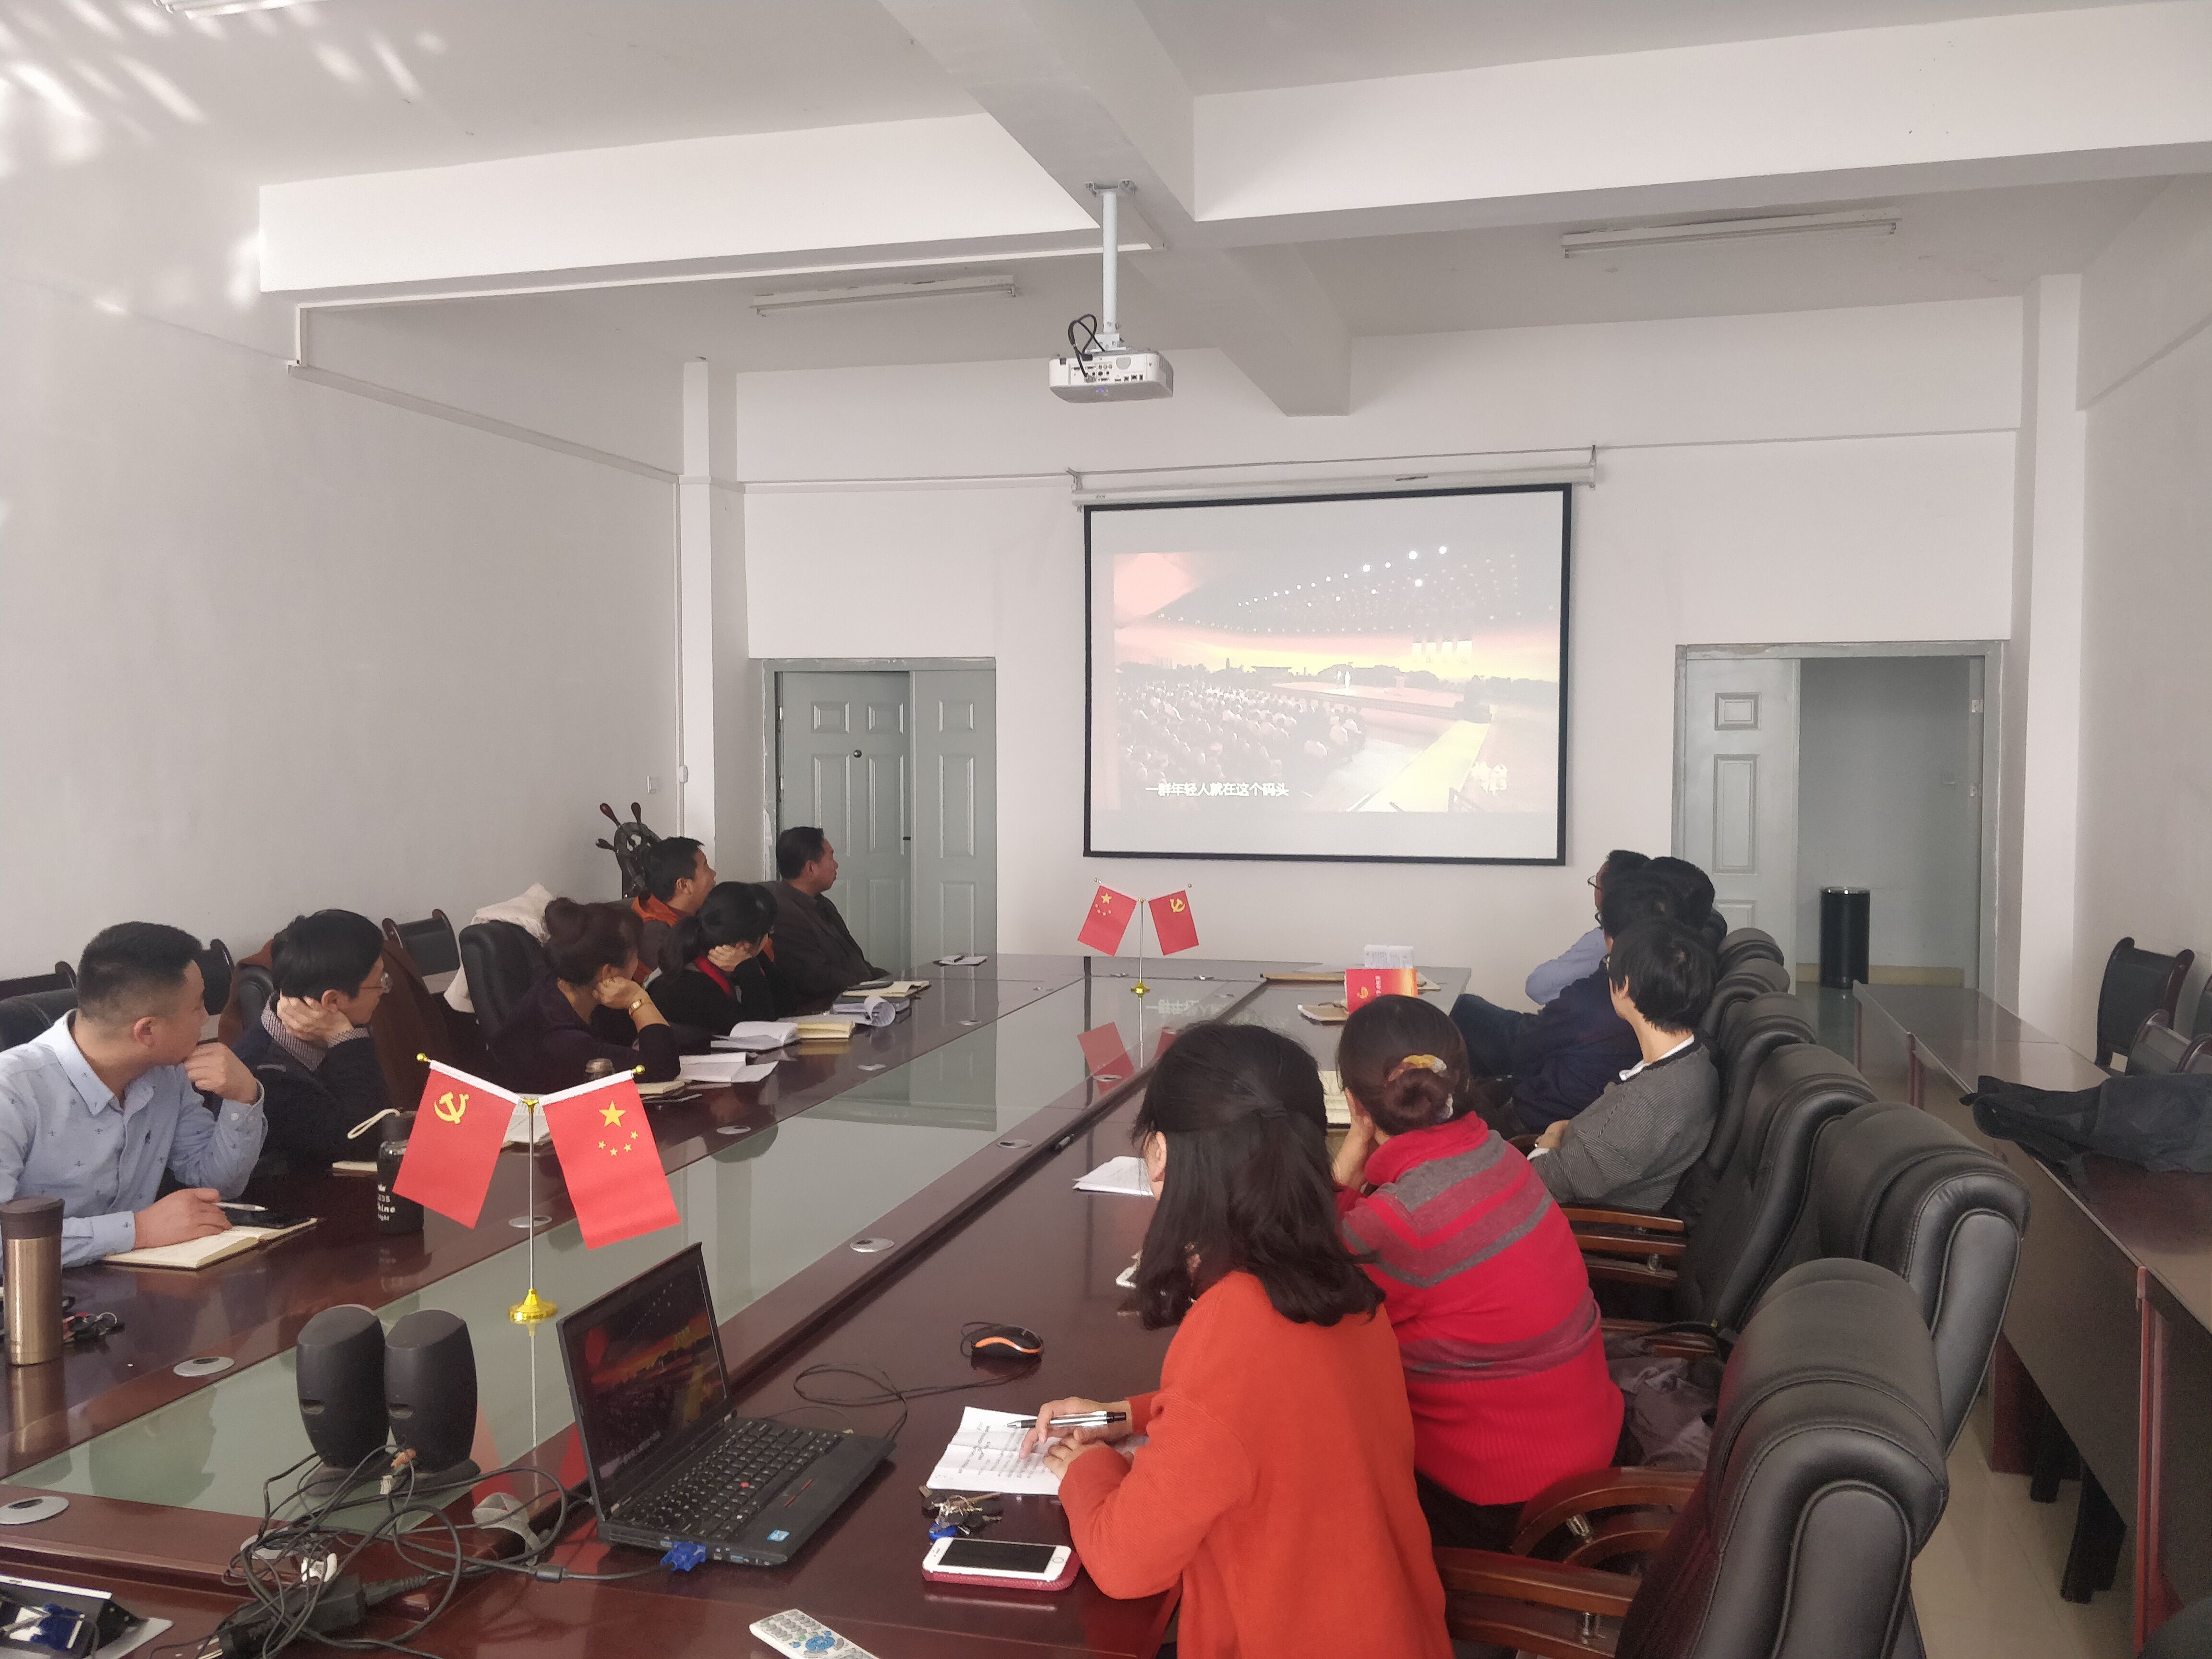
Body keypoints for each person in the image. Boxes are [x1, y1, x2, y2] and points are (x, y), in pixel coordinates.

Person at [1020, 1022, 1451, 1659]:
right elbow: (1259, 1417)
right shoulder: (1335, 1281)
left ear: (1161, 1156)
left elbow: (1123, 1563)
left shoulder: (1232, 1325)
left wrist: (1087, 1469)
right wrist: (1122, 1415)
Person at [1331, 995, 1623, 1550]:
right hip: (1582, 1441)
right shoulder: (1496, 1153)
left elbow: (1306, 1277)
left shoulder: (1401, 1219)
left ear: (1354, 1102)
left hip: (1506, 1497)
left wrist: (1352, 1149)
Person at [0, 923, 265, 1265]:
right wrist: (137, 1230)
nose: (206, 1018)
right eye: (198, 1006)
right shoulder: (12, 1091)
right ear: (147, 1030)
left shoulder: (166, 1072)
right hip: (34, 1293)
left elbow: (215, 1184)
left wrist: (243, 1096)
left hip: (134, 1281)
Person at [1528, 917, 1720, 1211]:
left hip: (1579, 1222)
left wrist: (1553, 1133)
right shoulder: (1696, 1058)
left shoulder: (1646, 1106)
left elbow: (1540, 1184)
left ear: (1625, 986)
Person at [230, 910, 391, 1177]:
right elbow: (368, 1138)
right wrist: (345, 1040)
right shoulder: (267, 1074)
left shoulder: (327, 1030)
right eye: (380, 984)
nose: (384, 991)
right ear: (332, 1001)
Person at [487, 900, 681, 1093]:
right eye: (635, 957)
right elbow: (660, 1070)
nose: (638, 963)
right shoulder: (563, 1039)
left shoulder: (578, 987)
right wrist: (638, 999)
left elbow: (650, 1042)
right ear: (609, 972)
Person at [764, 827, 883, 1011]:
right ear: (811, 868)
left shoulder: (821, 903)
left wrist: (891, 981)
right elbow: (818, 978)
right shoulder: (784, 914)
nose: (837, 865)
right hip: (822, 1009)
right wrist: (871, 987)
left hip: (856, 996)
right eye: (831, 858)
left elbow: (854, 959)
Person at [1522, 848, 1649, 1009]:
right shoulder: (1665, 935)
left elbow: (1538, 987)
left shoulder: (1603, 941)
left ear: (1607, 894)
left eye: (1596, 885)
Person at [652, 882, 779, 1035]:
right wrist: (747, 968)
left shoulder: (705, 955)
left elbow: (786, 1003)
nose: (768, 938)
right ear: (742, 946)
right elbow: (761, 1032)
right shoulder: (692, 987)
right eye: (767, 932)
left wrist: (752, 959)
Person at [630, 836, 715, 978]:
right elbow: (688, 984)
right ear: (684, 885)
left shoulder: (697, 910)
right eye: (706, 867)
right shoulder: (653, 934)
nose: (714, 874)